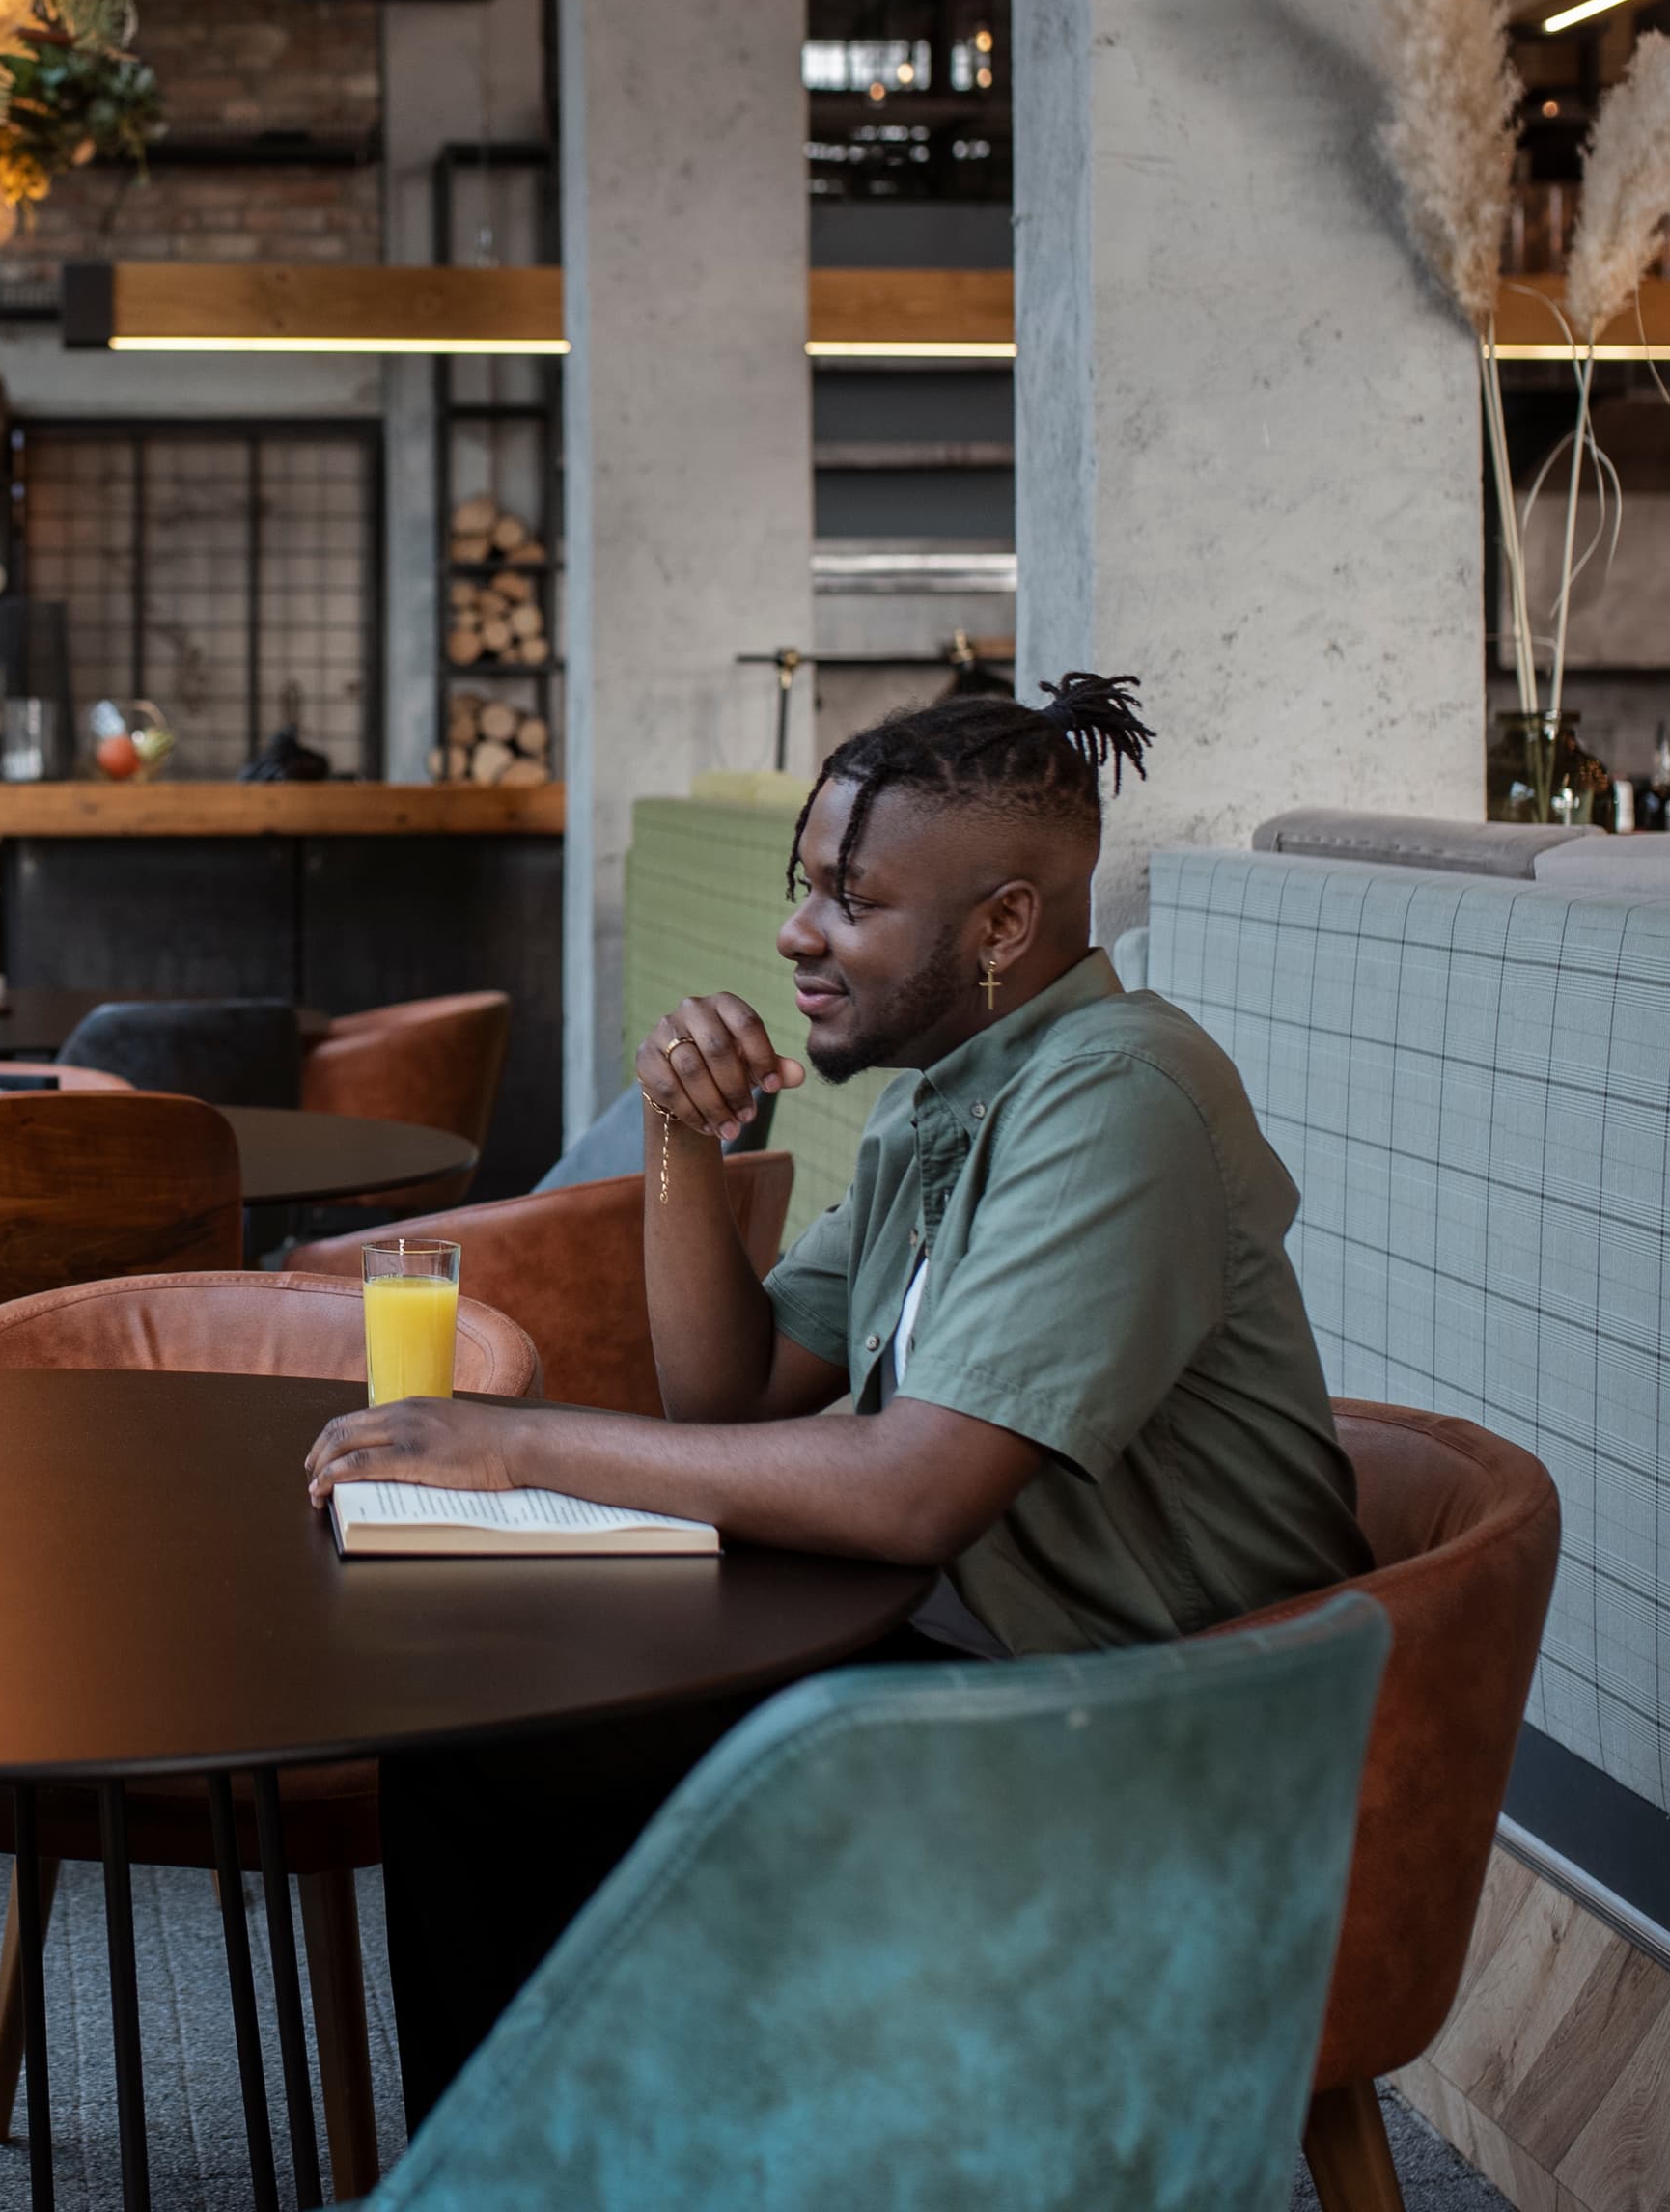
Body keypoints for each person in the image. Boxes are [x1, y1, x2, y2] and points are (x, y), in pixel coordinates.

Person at [309, 673, 1373, 2113]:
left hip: (1153, 1729)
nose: (795, 935)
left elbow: (916, 1488)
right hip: (995, 1667)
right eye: (803, 885)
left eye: (851, 901)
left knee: (520, 1773)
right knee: (512, 1742)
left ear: (1002, 926)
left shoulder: (1119, 1099)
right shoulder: (946, 1097)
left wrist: (515, 1444)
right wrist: (685, 1140)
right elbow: (731, 1396)